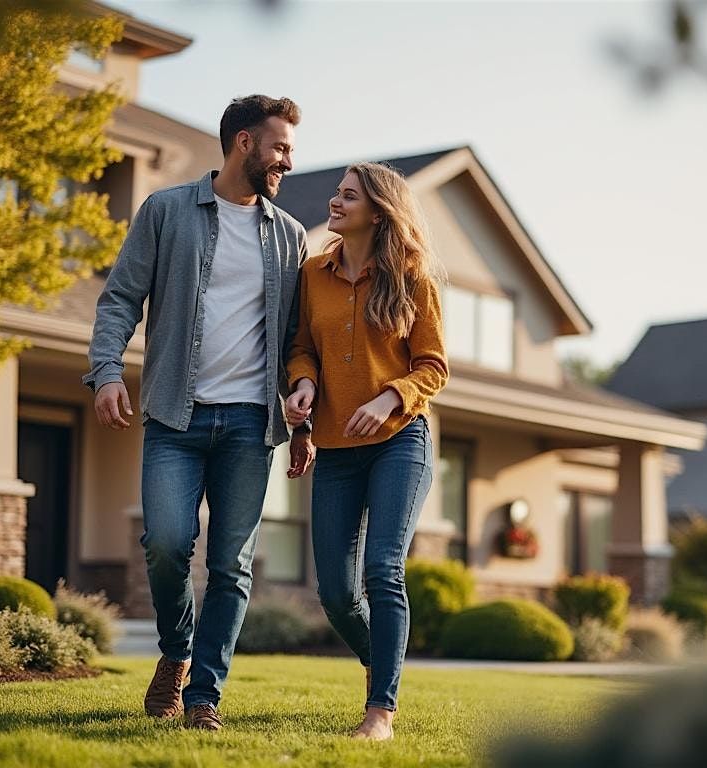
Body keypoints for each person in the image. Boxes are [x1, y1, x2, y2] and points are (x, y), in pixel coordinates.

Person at [83, 94, 315, 731]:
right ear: (244, 142)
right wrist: (106, 372)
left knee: (230, 566)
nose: (288, 161)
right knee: (164, 546)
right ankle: (177, 654)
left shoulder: (289, 236)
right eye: (281, 147)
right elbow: (120, 298)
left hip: (250, 423)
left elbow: (299, 338)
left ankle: (204, 697)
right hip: (174, 416)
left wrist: (305, 419)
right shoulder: (167, 211)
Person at [284, 161, 449, 740]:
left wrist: (389, 399)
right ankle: (385, 667)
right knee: (334, 590)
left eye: (348, 196)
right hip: (334, 446)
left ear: (378, 210)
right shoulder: (312, 274)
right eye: (337, 193)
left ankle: (380, 711)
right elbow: (301, 346)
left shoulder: (412, 279)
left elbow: (433, 366)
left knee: (384, 567)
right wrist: (302, 385)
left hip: (400, 439)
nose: (335, 201)